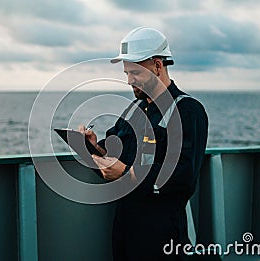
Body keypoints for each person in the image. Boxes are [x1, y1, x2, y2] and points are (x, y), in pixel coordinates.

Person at [79, 27, 208, 261]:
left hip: (162, 236)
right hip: (125, 230)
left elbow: (183, 177)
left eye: (135, 72)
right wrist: (92, 148)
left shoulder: (187, 111)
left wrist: (127, 173)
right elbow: (113, 156)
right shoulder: (134, 110)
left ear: (158, 66)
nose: (129, 81)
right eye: (126, 73)